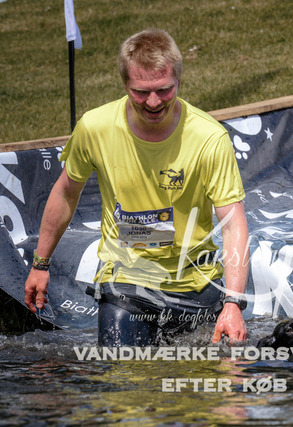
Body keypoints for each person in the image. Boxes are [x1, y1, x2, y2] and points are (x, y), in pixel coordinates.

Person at [24, 28, 249, 346]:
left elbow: (233, 222)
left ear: (179, 81)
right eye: (141, 92)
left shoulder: (209, 138)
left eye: (164, 90)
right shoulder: (95, 128)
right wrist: (40, 264)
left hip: (196, 283)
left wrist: (233, 303)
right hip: (126, 283)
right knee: (124, 373)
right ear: (124, 84)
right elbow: (65, 192)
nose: (153, 102)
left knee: (207, 377)